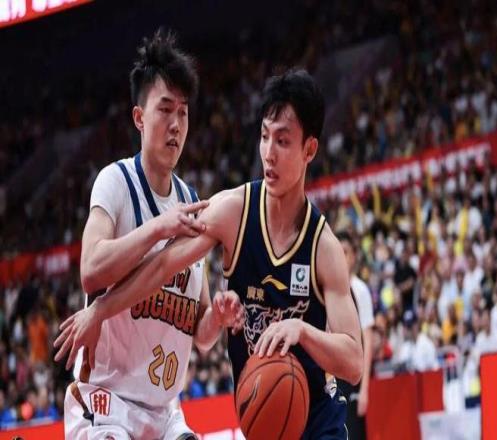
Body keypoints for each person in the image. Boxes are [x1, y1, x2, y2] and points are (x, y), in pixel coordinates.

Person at [56, 69, 363, 439]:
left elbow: (353, 362)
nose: (269, 153)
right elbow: (163, 265)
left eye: (283, 141)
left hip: (317, 421)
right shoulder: (232, 211)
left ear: (309, 150)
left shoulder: (323, 246)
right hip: (263, 421)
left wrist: (302, 331)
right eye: (264, 136)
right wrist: (100, 309)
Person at [58, 29, 244, 440]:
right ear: (139, 118)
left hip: (164, 415)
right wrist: (160, 226)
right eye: (165, 110)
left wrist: (217, 316)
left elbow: (200, 335)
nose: (176, 125)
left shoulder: (192, 201)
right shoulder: (115, 183)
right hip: (106, 403)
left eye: (183, 113)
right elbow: (90, 270)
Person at [338, 232, 374, 440]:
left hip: (354, 379)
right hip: (333, 377)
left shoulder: (360, 290)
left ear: (353, 256)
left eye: (345, 252)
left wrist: (365, 389)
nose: (342, 257)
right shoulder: (327, 288)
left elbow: (367, 341)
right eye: (339, 252)